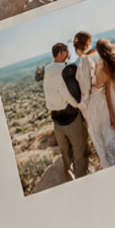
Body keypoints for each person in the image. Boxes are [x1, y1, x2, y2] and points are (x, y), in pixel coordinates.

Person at [74, 30, 115, 168]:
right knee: (111, 134)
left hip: (94, 105)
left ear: (77, 46)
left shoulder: (83, 61)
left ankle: (109, 165)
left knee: (100, 138)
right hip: (107, 101)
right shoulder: (101, 57)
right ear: (89, 42)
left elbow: (85, 90)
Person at [43, 42, 89, 181]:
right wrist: (82, 107)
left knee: (65, 153)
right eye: (67, 52)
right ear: (61, 53)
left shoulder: (47, 70)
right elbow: (69, 94)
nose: (69, 55)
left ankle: (68, 177)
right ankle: (82, 180)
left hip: (56, 121)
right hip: (71, 118)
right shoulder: (65, 70)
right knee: (80, 150)